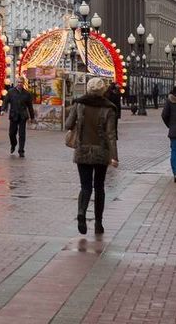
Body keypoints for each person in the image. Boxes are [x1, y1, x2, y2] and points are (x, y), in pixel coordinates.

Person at [64, 77, 119, 235]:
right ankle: (98, 223)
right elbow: (111, 135)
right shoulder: (109, 108)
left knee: (85, 186)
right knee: (99, 187)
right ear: (103, 90)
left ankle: (81, 211)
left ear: (88, 88)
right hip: (101, 153)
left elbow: (68, 124)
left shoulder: (79, 104)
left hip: (82, 151)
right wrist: (114, 157)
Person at [6, 82, 36, 157]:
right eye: (18, 82)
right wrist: (3, 109)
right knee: (11, 133)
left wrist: (32, 117)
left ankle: (21, 150)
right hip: (13, 115)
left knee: (22, 134)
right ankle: (13, 144)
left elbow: (30, 106)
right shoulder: (11, 92)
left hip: (23, 116)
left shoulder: (27, 93)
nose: (20, 84)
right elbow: (5, 101)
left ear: (23, 84)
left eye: (21, 82)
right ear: (16, 83)